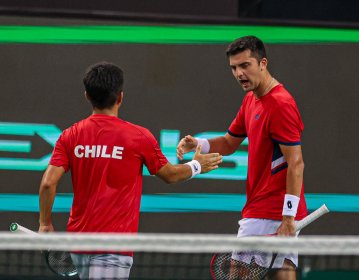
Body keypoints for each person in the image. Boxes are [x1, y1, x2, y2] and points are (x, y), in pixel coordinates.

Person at [38, 62, 222, 280]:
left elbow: (48, 183)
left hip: (79, 245)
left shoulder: (70, 135)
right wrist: (197, 165)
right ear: (120, 97)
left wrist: (45, 223)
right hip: (114, 247)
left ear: (87, 95)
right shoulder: (139, 137)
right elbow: (170, 175)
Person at [177, 36, 307, 279]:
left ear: (263, 63)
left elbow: (296, 163)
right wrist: (200, 143)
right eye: (234, 68)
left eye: (245, 65)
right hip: (266, 208)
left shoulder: (281, 104)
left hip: (270, 211)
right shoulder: (251, 100)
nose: (239, 73)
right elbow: (228, 142)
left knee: (237, 275)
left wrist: (288, 218)